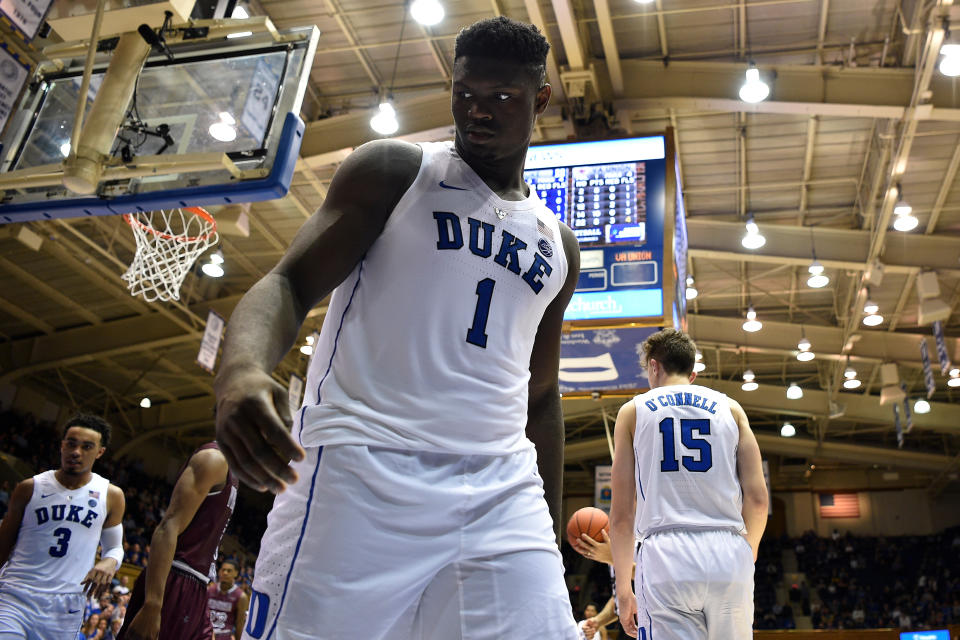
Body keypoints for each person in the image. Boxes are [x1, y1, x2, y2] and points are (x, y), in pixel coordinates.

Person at [214, 15, 581, 639]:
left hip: (501, 490)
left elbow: (540, 395)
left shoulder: (557, 245)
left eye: (502, 98)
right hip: (362, 470)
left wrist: (543, 527)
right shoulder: (395, 172)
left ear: (540, 99)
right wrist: (241, 370)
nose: (478, 112)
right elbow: (287, 283)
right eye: (465, 94)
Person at [609, 328, 768, 639]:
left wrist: (623, 590)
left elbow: (622, 516)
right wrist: (748, 550)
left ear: (654, 366)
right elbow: (759, 499)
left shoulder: (633, 412)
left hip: (667, 556)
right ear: (692, 372)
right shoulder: (732, 409)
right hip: (728, 549)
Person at [0, 413, 126, 640]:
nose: (76, 452)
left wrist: (110, 561)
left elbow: (115, 548)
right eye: (71, 444)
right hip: (15, 596)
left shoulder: (112, 496)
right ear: (62, 446)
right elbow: (3, 543)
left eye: (87, 446)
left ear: (100, 452)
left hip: (65, 607)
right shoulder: (29, 488)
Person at [117, 443, 237, 640]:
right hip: (175, 580)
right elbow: (167, 527)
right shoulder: (213, 459)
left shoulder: (233, 469)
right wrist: (153, 605)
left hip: (196, 585)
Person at [207, 559, 248, 640]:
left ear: (236, 573)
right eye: (223, 570)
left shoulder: (241, 597)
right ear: (219, 572)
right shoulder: (209, 590)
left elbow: (239, 625)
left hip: (224, 636)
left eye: (229, 571)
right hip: (205, 633)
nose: (225, 573)